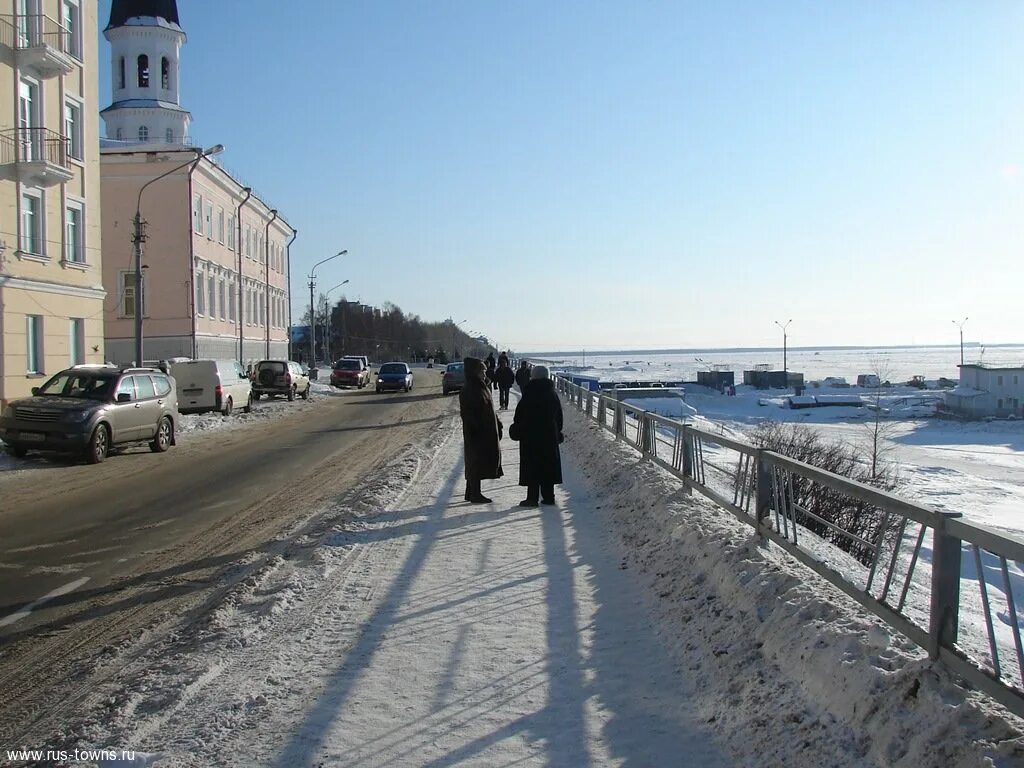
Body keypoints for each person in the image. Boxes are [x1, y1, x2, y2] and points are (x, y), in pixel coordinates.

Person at [510, 364, 563, 507]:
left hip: (531, 435)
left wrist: (517, 427)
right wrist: (557, 431)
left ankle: (532, 498)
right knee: (548, 465)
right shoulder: (552, 393)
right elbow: (559, 415)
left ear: (533, 376)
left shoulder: (530, 392)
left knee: (532, 465)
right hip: (549, 436)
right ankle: (549, 496)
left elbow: (521, 414)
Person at [459, 357, 503, 503]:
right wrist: (476, 429)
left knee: (477, 460)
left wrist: (498, 423)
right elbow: (469, 413)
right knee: (475, 460)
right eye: (482, 371)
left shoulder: (481, 386)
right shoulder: (471, 389)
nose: (484, 374)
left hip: (485, 430)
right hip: (477, 432)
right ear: (474, 372)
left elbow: (489, 408)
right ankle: (475, 494)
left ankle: (470, 491)